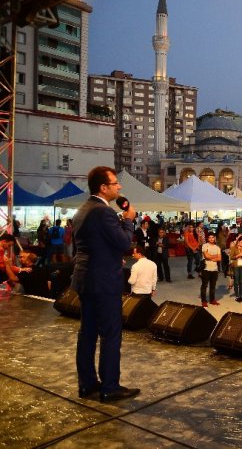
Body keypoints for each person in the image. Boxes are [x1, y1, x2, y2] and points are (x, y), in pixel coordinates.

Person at [72, 166, 139, 402]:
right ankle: (110, 386)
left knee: (87, 333)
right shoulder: (103, 212)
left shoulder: (83, 210)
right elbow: (123, 243)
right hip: (104, 282)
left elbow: (95, 243)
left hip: (85, 279)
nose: (119, 187)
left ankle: (87, 384)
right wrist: (129, 221)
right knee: (110, 334)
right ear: (103, 187)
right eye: (114, 184)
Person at [200, 232, 221, 307]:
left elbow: (219, 258)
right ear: (208, 238)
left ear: (215, 238)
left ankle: (212, 300)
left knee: (213, 286)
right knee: (204, 285)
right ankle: (204, 301)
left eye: (213, 237)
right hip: (206, 268)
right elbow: (206, 256)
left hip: (215, 269)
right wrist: (215, 256)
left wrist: (211, 256)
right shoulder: (205, 246)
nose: (211, 239)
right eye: (210, 237)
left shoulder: (217, 247)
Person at [229, 236, 242, 302]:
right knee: (236, 280)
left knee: (241, 281)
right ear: (238, 241)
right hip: (236, 266)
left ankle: (240, 295)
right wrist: (238, 255)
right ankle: (237, 295)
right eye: (241, 242)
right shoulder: (233, 248)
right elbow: (231, 257)